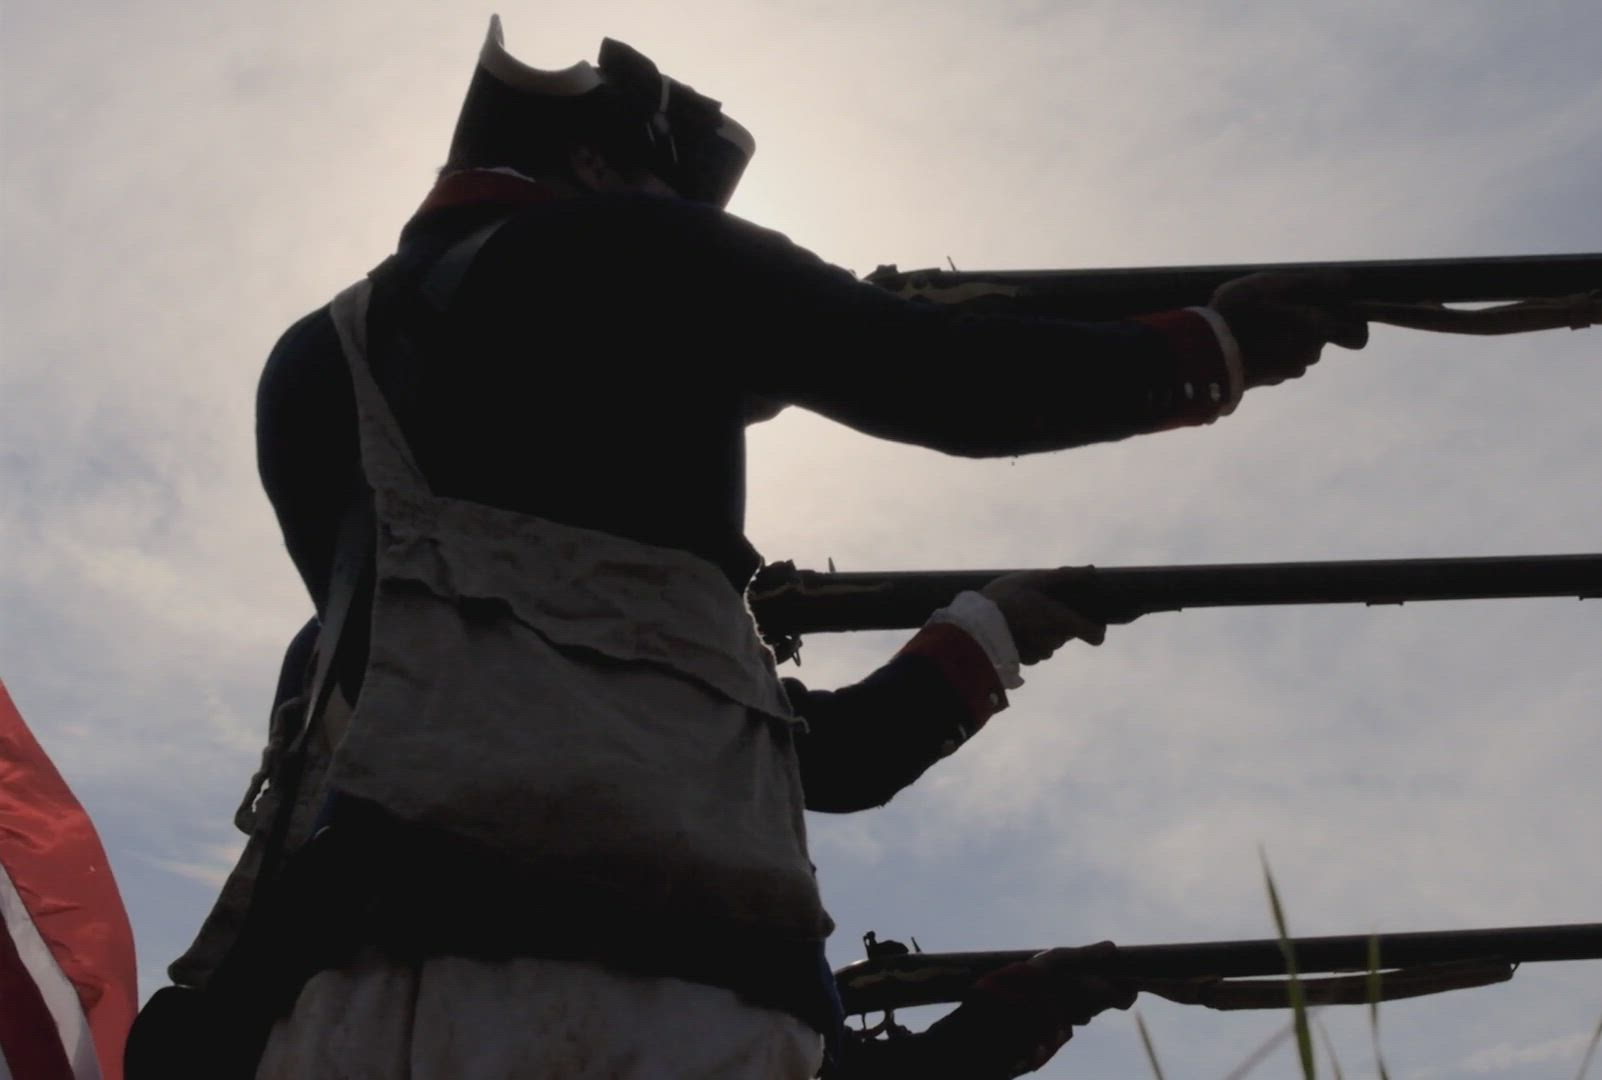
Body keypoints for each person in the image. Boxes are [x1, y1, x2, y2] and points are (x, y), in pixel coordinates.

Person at [145, 16, 1365, 1079]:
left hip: (335, 1002)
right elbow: (943, 382)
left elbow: (716, 736)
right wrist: (1210, 345)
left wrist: (995, 624)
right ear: (595, 163)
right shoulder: (639, 249)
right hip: (654, 1006)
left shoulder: (309, 370)